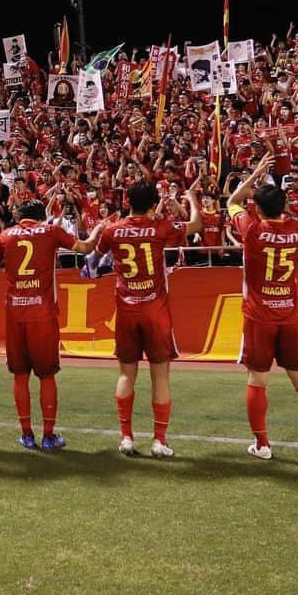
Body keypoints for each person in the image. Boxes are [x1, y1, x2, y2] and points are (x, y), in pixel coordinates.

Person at [227, 157, 298, 461]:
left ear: (256, 209)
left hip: (259, 315)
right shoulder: (296, 228)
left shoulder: (250, 229)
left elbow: (232, 201)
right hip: (290, 313)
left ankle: (262, 445)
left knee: (257, 379)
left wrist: (254, 177)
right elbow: (280, 210)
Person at [95, 179, 202, 457]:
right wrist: (190, 197)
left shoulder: (112, 230)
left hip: (126, 311)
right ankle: (159, 440)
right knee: (161, 377)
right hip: (155, 310)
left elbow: (93, 261)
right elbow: (196, 225)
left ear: (127, 202)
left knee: (125, 374)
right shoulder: (160, 228)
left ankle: (126, 438)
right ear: (153, 204)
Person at [0, 200, 103, 450]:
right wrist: (98, 229)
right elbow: (85, 248)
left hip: (15, 313)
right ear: (41, 217)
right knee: (46, 375)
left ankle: (27, 435)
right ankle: (48, 436)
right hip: (43, 313)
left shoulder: (6, 235)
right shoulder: (50, 231)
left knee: (20, 375)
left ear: (20, 217)